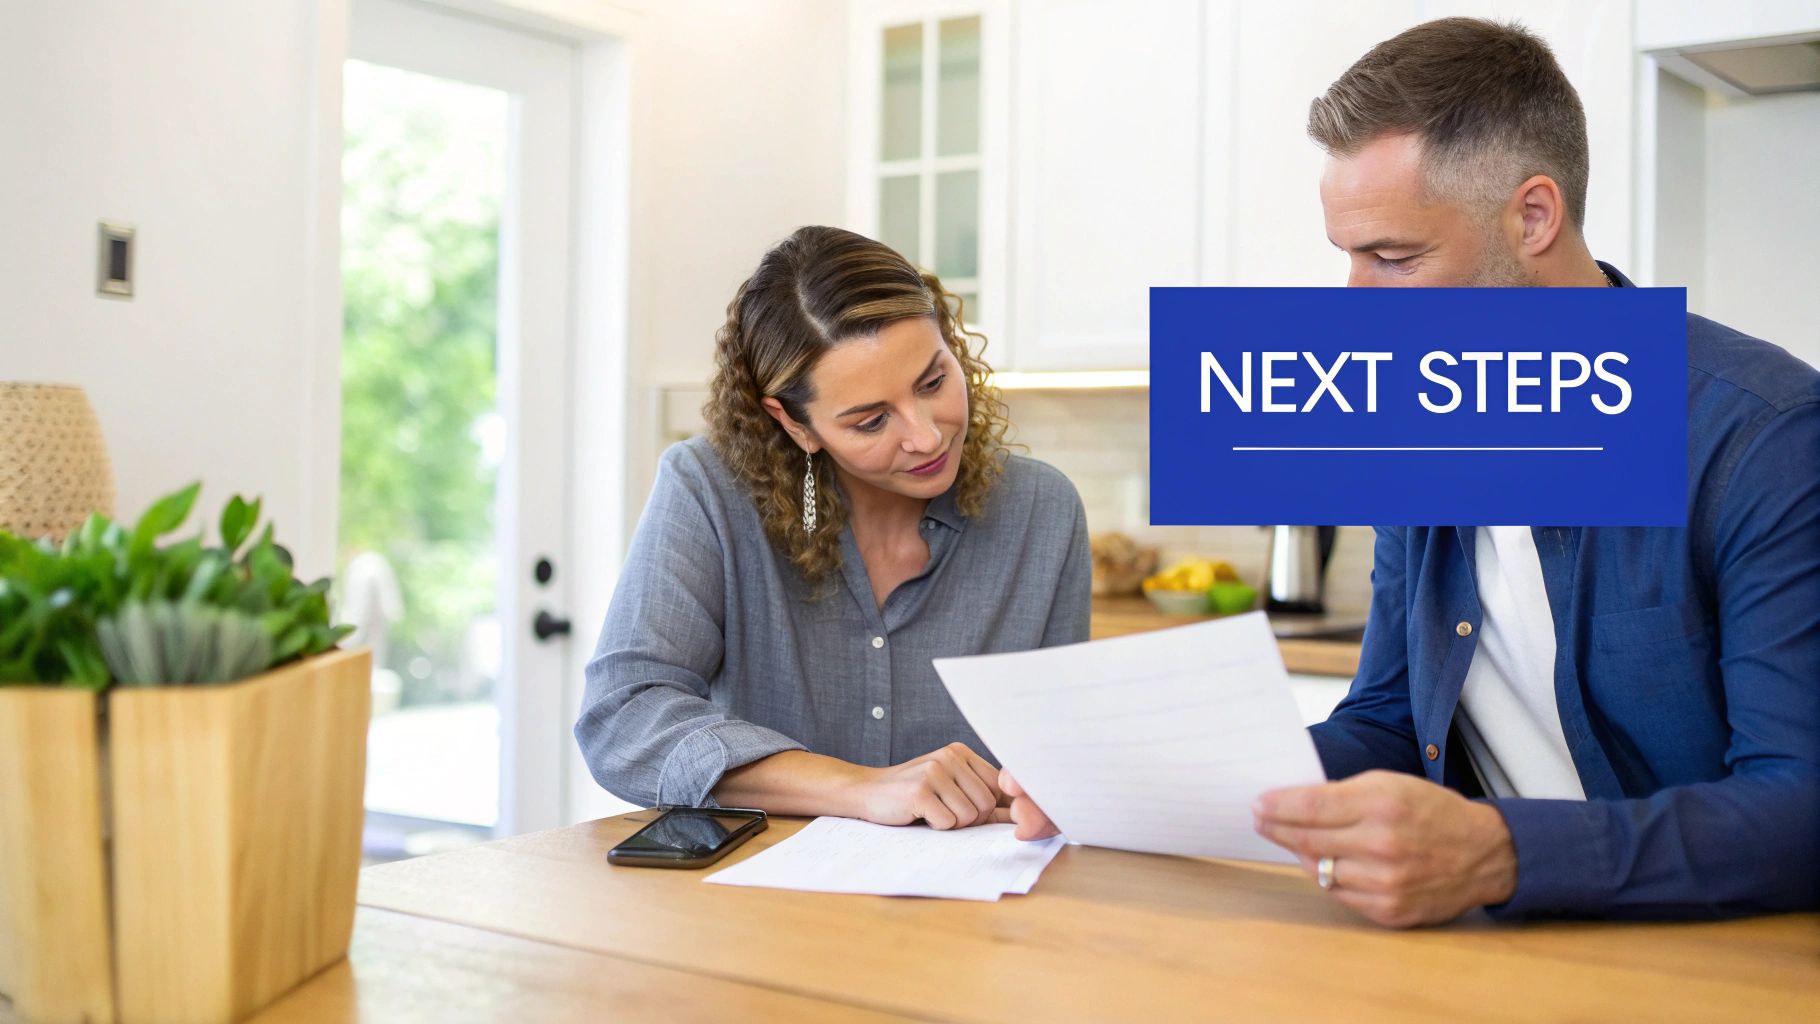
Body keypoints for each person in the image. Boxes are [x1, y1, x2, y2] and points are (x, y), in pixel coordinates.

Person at [1003, 17, 1820, 925]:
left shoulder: (1767, 441)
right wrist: (1153, 782)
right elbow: (1389, 722)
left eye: (1394, 258)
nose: (1355, 300)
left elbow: (1800, 807)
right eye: (1348, 256)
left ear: (1534, 216)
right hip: (1497, 946)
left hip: (1721, 957)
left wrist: (1502, 853)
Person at [576, 225, 1091, 830]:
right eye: (871, 421)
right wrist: (860, 789)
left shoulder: (1042, 510)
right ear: (796, 425)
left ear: (952, 344)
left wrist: (1051, 797)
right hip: (764, 906)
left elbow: (1060, 755)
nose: (927, 435)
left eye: (933, 382)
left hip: (976, 908)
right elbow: (623, 720)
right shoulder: (709, 490)